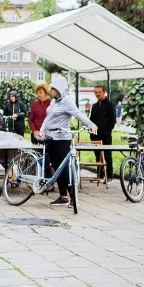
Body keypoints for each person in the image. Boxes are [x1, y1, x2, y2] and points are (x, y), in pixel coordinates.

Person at [37, 76, 98, 206]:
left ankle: (73, 198)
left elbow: (78, 114)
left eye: (52, 88)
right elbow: (47, 118)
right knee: (56, 167)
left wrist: (91, 125)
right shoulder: (54, 101)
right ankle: (63, 196)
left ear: (59, 89)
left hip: (61, 139)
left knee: (63, 168)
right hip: (50, 137)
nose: (50, 90)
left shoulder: (67, 101)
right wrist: (42, 130)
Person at [89, 85, 117, 182]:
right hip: (95, 135)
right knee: (97, 155)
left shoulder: (110, 105)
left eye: (99, 92)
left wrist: (107, 131)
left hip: (105, 135)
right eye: (96, 92)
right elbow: (91, 120)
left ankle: (109, 176)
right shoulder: (95, 106)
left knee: (107, 155)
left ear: (104, 92)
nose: (98, 94)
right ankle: (100, 175)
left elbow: (113, 120)